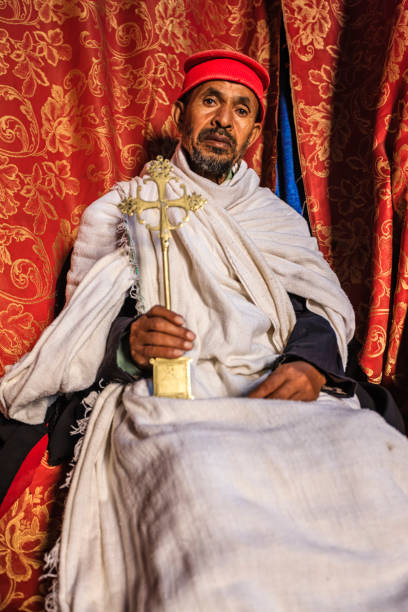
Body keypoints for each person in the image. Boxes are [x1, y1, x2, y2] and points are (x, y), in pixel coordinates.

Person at [1, 49, 408, 611]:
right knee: (202, 495)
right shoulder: (120, 209)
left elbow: (321, 307)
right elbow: (82, 321)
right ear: (180, 113)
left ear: (254, 130)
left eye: (241, 110)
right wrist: (127, 343)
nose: (223, 120)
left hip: (275, 386)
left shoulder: (275, 218)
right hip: (167, 395)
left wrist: (309, 365)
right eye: (210, 101)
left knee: (370, 458)